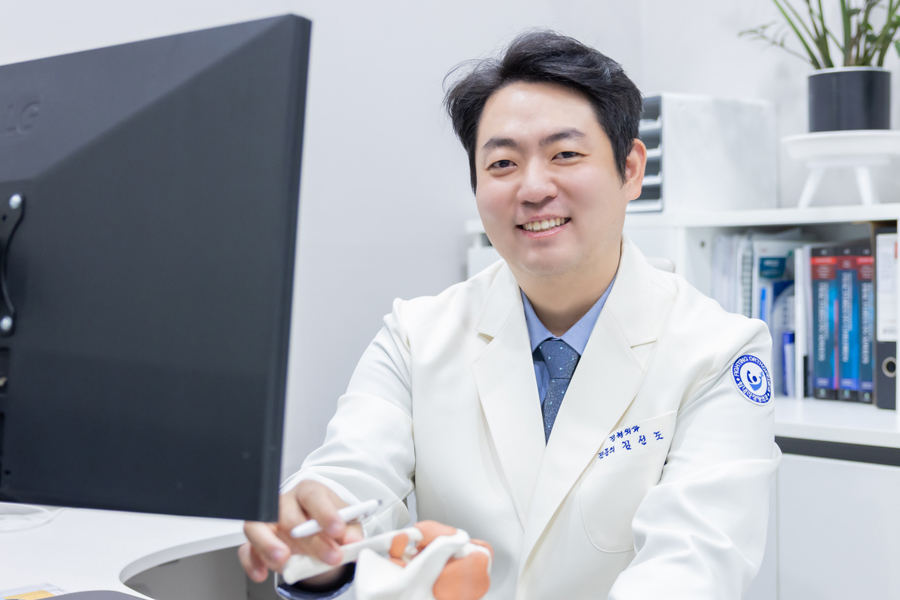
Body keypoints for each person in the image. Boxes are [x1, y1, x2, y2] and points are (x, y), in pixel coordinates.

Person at [240, 30, 780, 599]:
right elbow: (350, 474)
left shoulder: (719, 352)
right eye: (502, 163)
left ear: (630, 169)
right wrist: (318, 536)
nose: (533, 188)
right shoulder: (415, 336)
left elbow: (692, 567)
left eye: (565, 154)